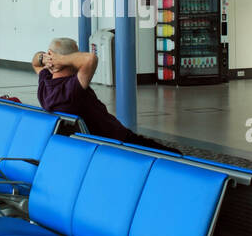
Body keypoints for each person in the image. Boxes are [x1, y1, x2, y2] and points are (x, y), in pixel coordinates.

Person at [34, 37, 181, 154]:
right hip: (117, 139)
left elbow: (35, 62)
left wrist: (44, 58)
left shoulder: (45, 88)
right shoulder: (72, 89)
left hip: (97, 142)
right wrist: (60, 59)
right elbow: (90, 59)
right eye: (75, 55)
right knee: (173, 154)